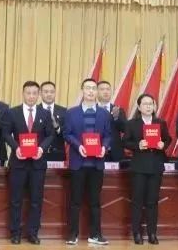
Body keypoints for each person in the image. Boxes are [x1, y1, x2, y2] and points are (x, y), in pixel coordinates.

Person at [0, 81, 55, 245]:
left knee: (36, 200)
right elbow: (6, 133)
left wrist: (41, 149)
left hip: (38, 164)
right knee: (15, 199)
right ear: (23, 94)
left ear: (38, 95)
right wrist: (16, 148)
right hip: (18, 162)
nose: (31, 96)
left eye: (34, 93)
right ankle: (15, 233)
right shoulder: (12, 112)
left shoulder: (45, 114)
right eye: (28, 93)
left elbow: (50, 135)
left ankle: (33, 233)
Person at [63, 78, 112, 246]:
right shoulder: (71, 113)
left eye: (93, 88)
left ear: (97, 92)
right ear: (82, 91)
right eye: (87, 88)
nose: (91, 91)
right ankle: (73, 234)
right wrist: (79, 146)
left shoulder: (104, 114)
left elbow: (108, 135)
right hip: (78, 163)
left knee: (95, 202)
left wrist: (104, 147)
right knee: (75, 201)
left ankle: (95, 235)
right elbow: (67, 134)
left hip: (96, 165)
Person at [123, 93, 171, 245]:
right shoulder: (132, 123)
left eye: (151, 104)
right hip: (139, 167)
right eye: (145, 104)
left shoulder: (161, 123)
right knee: (137, 201)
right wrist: (137, 145)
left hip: (156, 166)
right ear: (139, 107)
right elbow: (125, 142)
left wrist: (163, 144)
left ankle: (152, 233)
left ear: (154, 106)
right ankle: (136, 233)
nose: (148, 107)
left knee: (152, 201)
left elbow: (168, 139)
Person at [97, 80, 127, 162]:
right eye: (102, 89)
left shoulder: (118, 110)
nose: (105, 92)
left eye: (108, 89)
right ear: (96, 92)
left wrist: (116, 118)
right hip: (96, 151)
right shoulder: (91, 110)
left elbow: (125, 129)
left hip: (114, 153)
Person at [39, 81, 67, 162]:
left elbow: (67, 133)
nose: (49, 94)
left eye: (52, 92)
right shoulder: (35, 110)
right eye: (46, 92)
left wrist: (57, 127)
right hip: (39, 154)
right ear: (40, 93)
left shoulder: (63, 111)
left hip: (58, 154)